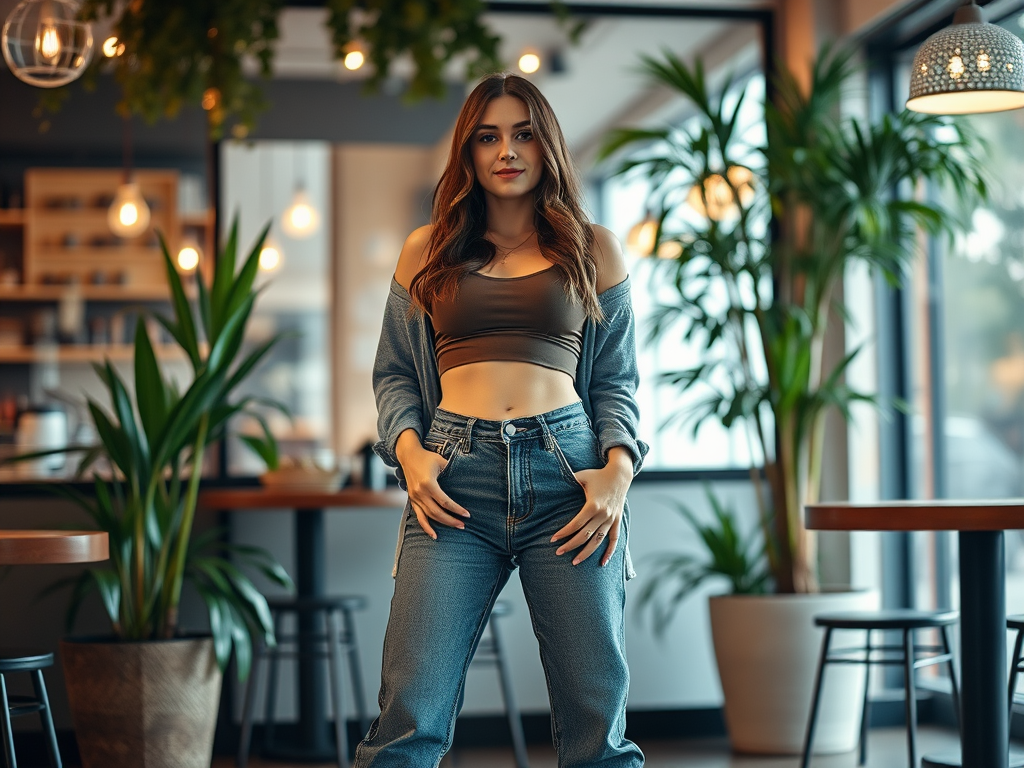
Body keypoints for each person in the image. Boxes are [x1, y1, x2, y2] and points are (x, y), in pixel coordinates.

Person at [360, 72, 648, 768]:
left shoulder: (593, 249)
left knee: (594, 722)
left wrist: (617, 471)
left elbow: (617, 382)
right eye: (487, 136)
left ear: (546, 142)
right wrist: (411, 454)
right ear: (467, 152)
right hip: (453, 480)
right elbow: (396, 372)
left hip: (570, 480)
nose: (506, 150)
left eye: (522, 132)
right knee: (409, 715)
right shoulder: (425, 250)